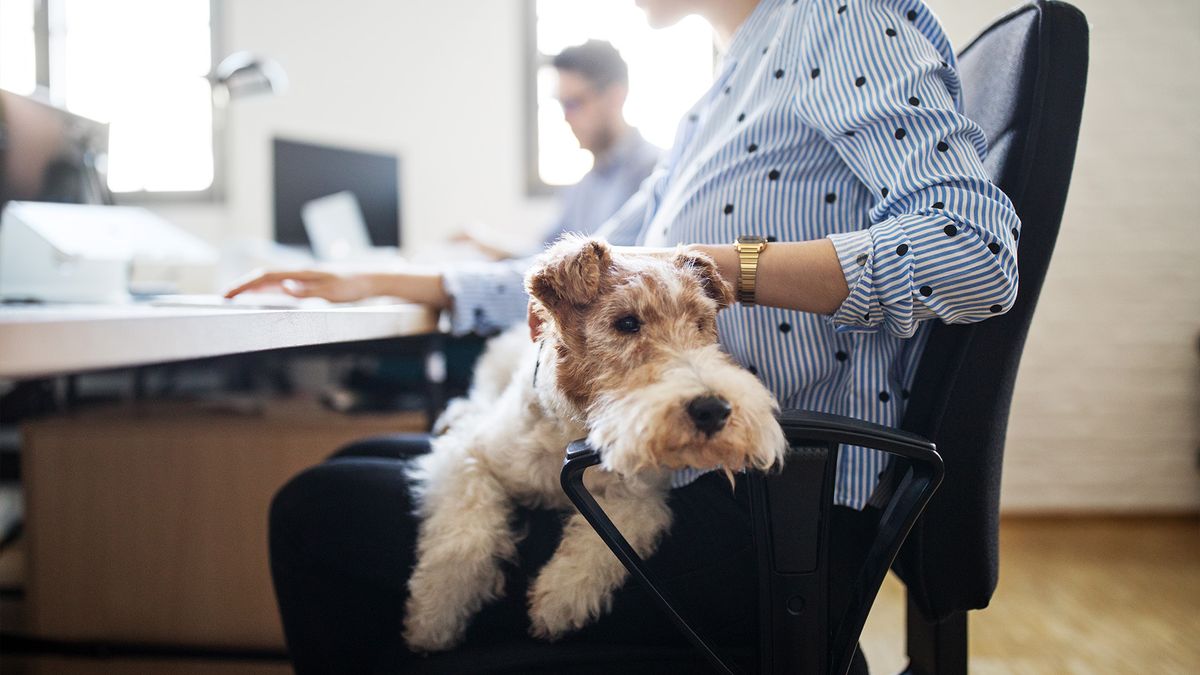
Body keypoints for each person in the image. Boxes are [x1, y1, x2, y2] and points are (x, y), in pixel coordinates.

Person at [235, 1, 1021, 672]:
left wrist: (723, 266)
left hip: (766, 518)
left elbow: (976, 249)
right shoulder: (721, 88)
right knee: (353, 462)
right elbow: (591, 255)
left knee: (316, 511)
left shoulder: (837, 18)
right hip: (668, 468)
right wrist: (383, 280)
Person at [456, 39, 662, 260]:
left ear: (615, 97)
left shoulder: (655, 172)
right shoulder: (583, 185)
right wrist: (489, 245)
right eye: (561, 105)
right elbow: (547, 255)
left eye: (573, 103)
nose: (566, 118)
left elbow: (602, 267)